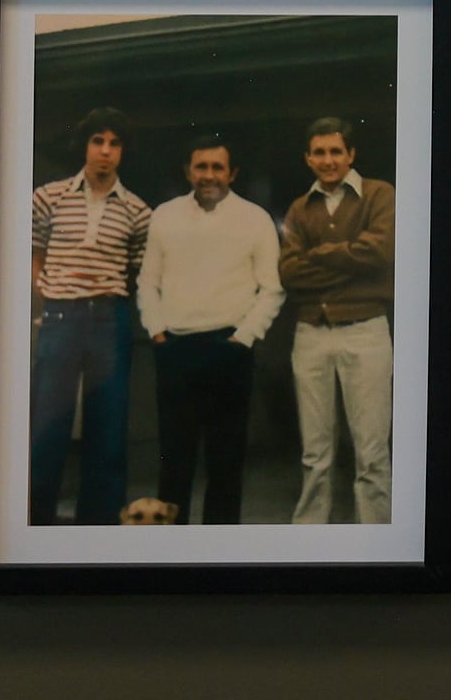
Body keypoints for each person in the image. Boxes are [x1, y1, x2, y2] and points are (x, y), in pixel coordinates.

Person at [137, 134, 281, 525]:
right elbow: (148, 282)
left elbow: (271, 289)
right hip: (176, 351)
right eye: (201, 166)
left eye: (218, 167)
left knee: (226, 465)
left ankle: (221, 558)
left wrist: (242, 339)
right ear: (188, 170)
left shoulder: (255, 219)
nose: (209, 175)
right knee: (175, 465)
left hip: (229, 351)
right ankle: (173, 558)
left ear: (232, 172)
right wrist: (158, 333)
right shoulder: (164, 216)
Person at [28, 106, 149, 526]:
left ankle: (98, 530)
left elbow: (138, 269)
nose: (105, 151)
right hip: (61, 319)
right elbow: (32, 250)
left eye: (115, 144)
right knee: (48, 423)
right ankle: (36, 524)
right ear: (84, 145)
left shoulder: (137, 211)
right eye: (98, 141)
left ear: (123, 152)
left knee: (108, 426)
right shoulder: (48, 196)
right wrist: (45, 289)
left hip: (108, 321)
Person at [277, 117, 392, 524]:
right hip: (311, 334)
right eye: (319, 153)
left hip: (366, 330)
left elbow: (378, 254)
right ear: (308, 159)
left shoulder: (379, 195)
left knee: (372, 449)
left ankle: (379, 540)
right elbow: (289, 272)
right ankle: (310, 541)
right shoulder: (297, 208)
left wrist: (319, 254)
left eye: (336, 152)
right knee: (315, 452)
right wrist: (347, 257)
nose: (328, 160)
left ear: (351, 155)